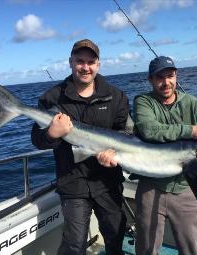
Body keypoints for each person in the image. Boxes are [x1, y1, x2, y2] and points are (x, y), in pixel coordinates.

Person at [31, 39, 129, 255]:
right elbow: (37, 140)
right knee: (74, 245)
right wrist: (51, 134)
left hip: (107, 180)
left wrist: (114, 154)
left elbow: (125, 133)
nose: (85, 67)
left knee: (115, 235)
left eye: (91, 62)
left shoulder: (116, 96)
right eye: (80, 61)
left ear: (98, 64)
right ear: (70, 62)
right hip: (72, 181)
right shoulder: (52, 98)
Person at [132, 56, 197, 255]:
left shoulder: (192, 102)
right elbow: (149, 130)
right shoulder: (143, 101)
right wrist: (189, 131)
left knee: (190, 249)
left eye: (170, 76)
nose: (166, 82)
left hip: (185, 187)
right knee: (146, 249)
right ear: (150, 80)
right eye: (160, 77)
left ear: (176, 76)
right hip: (150, 187)